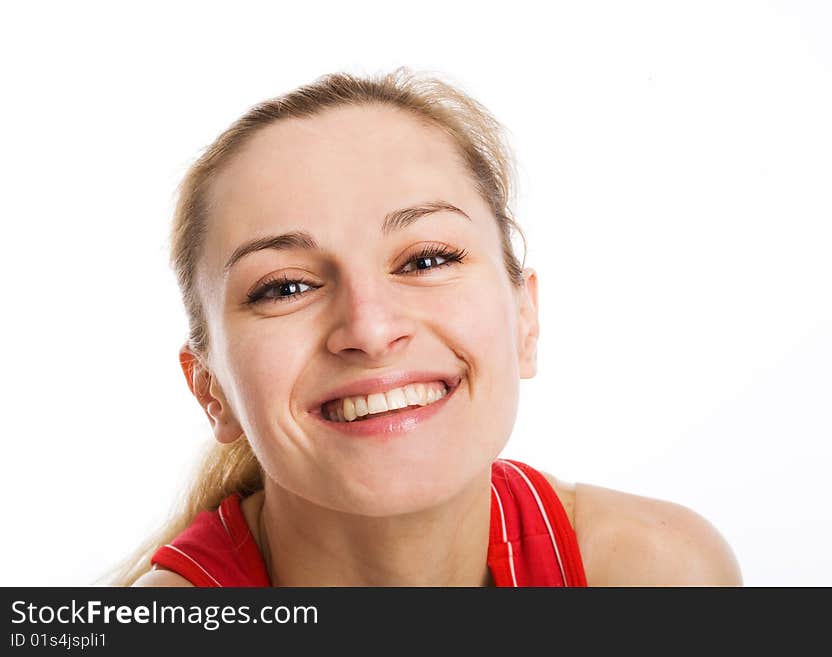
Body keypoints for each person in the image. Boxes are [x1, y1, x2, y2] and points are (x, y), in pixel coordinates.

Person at [108, 68, 742, 587]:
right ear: (208, 388)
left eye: (427, 260)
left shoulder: (661, 573)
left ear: (525, 319)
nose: (371, 328)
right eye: (287, 288)